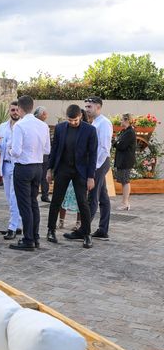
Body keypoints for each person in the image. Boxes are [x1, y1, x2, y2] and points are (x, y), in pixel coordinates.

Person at [46, 104, 98, 249]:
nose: (72, 123)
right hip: (62, 169)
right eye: (70, 120)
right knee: (56, 200)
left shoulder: (90, 130)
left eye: (75, 120)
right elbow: (54, 149)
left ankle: (86, 234)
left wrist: (91, 176)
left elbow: (93, 155)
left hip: (80, 171)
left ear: (80, 116)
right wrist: (49, 169)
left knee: (83, 202)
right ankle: (51, 230)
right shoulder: (60, 128)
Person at [8, 95, 51, 251]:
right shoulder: (43, 126)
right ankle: (35, 237)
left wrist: (9, 149)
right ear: (32, 107)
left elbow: (17, 151)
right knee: (33, 203)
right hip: (38, 167)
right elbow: (47, 150)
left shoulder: (19, 125)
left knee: (25, 205)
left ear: (19, 109)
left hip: (23, 167)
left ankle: (28, 239)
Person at [84, 96, 113, 240]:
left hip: (100, 163)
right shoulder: (95, 122)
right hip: (97, 163)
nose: (86, 109)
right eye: (86, 106)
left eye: (89, 107)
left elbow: (104, 147)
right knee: (103, 196)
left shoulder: (104, 123)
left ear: (98, 107)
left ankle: (84, 229)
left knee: (93, 196)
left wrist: (94, 168)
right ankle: (103, 229)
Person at [0, 101, 21, 240]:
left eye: (17, 110)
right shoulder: (3, 126)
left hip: (17, 165)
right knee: (9, 197)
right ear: (9, 111)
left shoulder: (22, 126)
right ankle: (18, 225)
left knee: (15, 196)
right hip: (5, 164)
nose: (15, 112)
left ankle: (12, 226)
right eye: (12, 110)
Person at [113, 113, 136, 211]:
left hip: (126, 160)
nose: (120, 121)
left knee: (125, 181)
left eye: (122, 120)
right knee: (123, 181)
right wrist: (116, 142)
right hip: (123, 160)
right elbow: (118, 143)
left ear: (127, 120)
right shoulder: (125, 131)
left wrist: (115, 142)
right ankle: (124, 202)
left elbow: (121, 145)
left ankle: (125, 203)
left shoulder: (130, 132)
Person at [34, 106, 51, 202]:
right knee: (39, 176)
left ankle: (44, 195)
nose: (46, 116)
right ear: (42, 115)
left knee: (44, 176)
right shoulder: (41, 126)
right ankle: (40, 194)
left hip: (43, 154)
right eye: (45, 114)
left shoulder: (44, 126)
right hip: (39, 154)